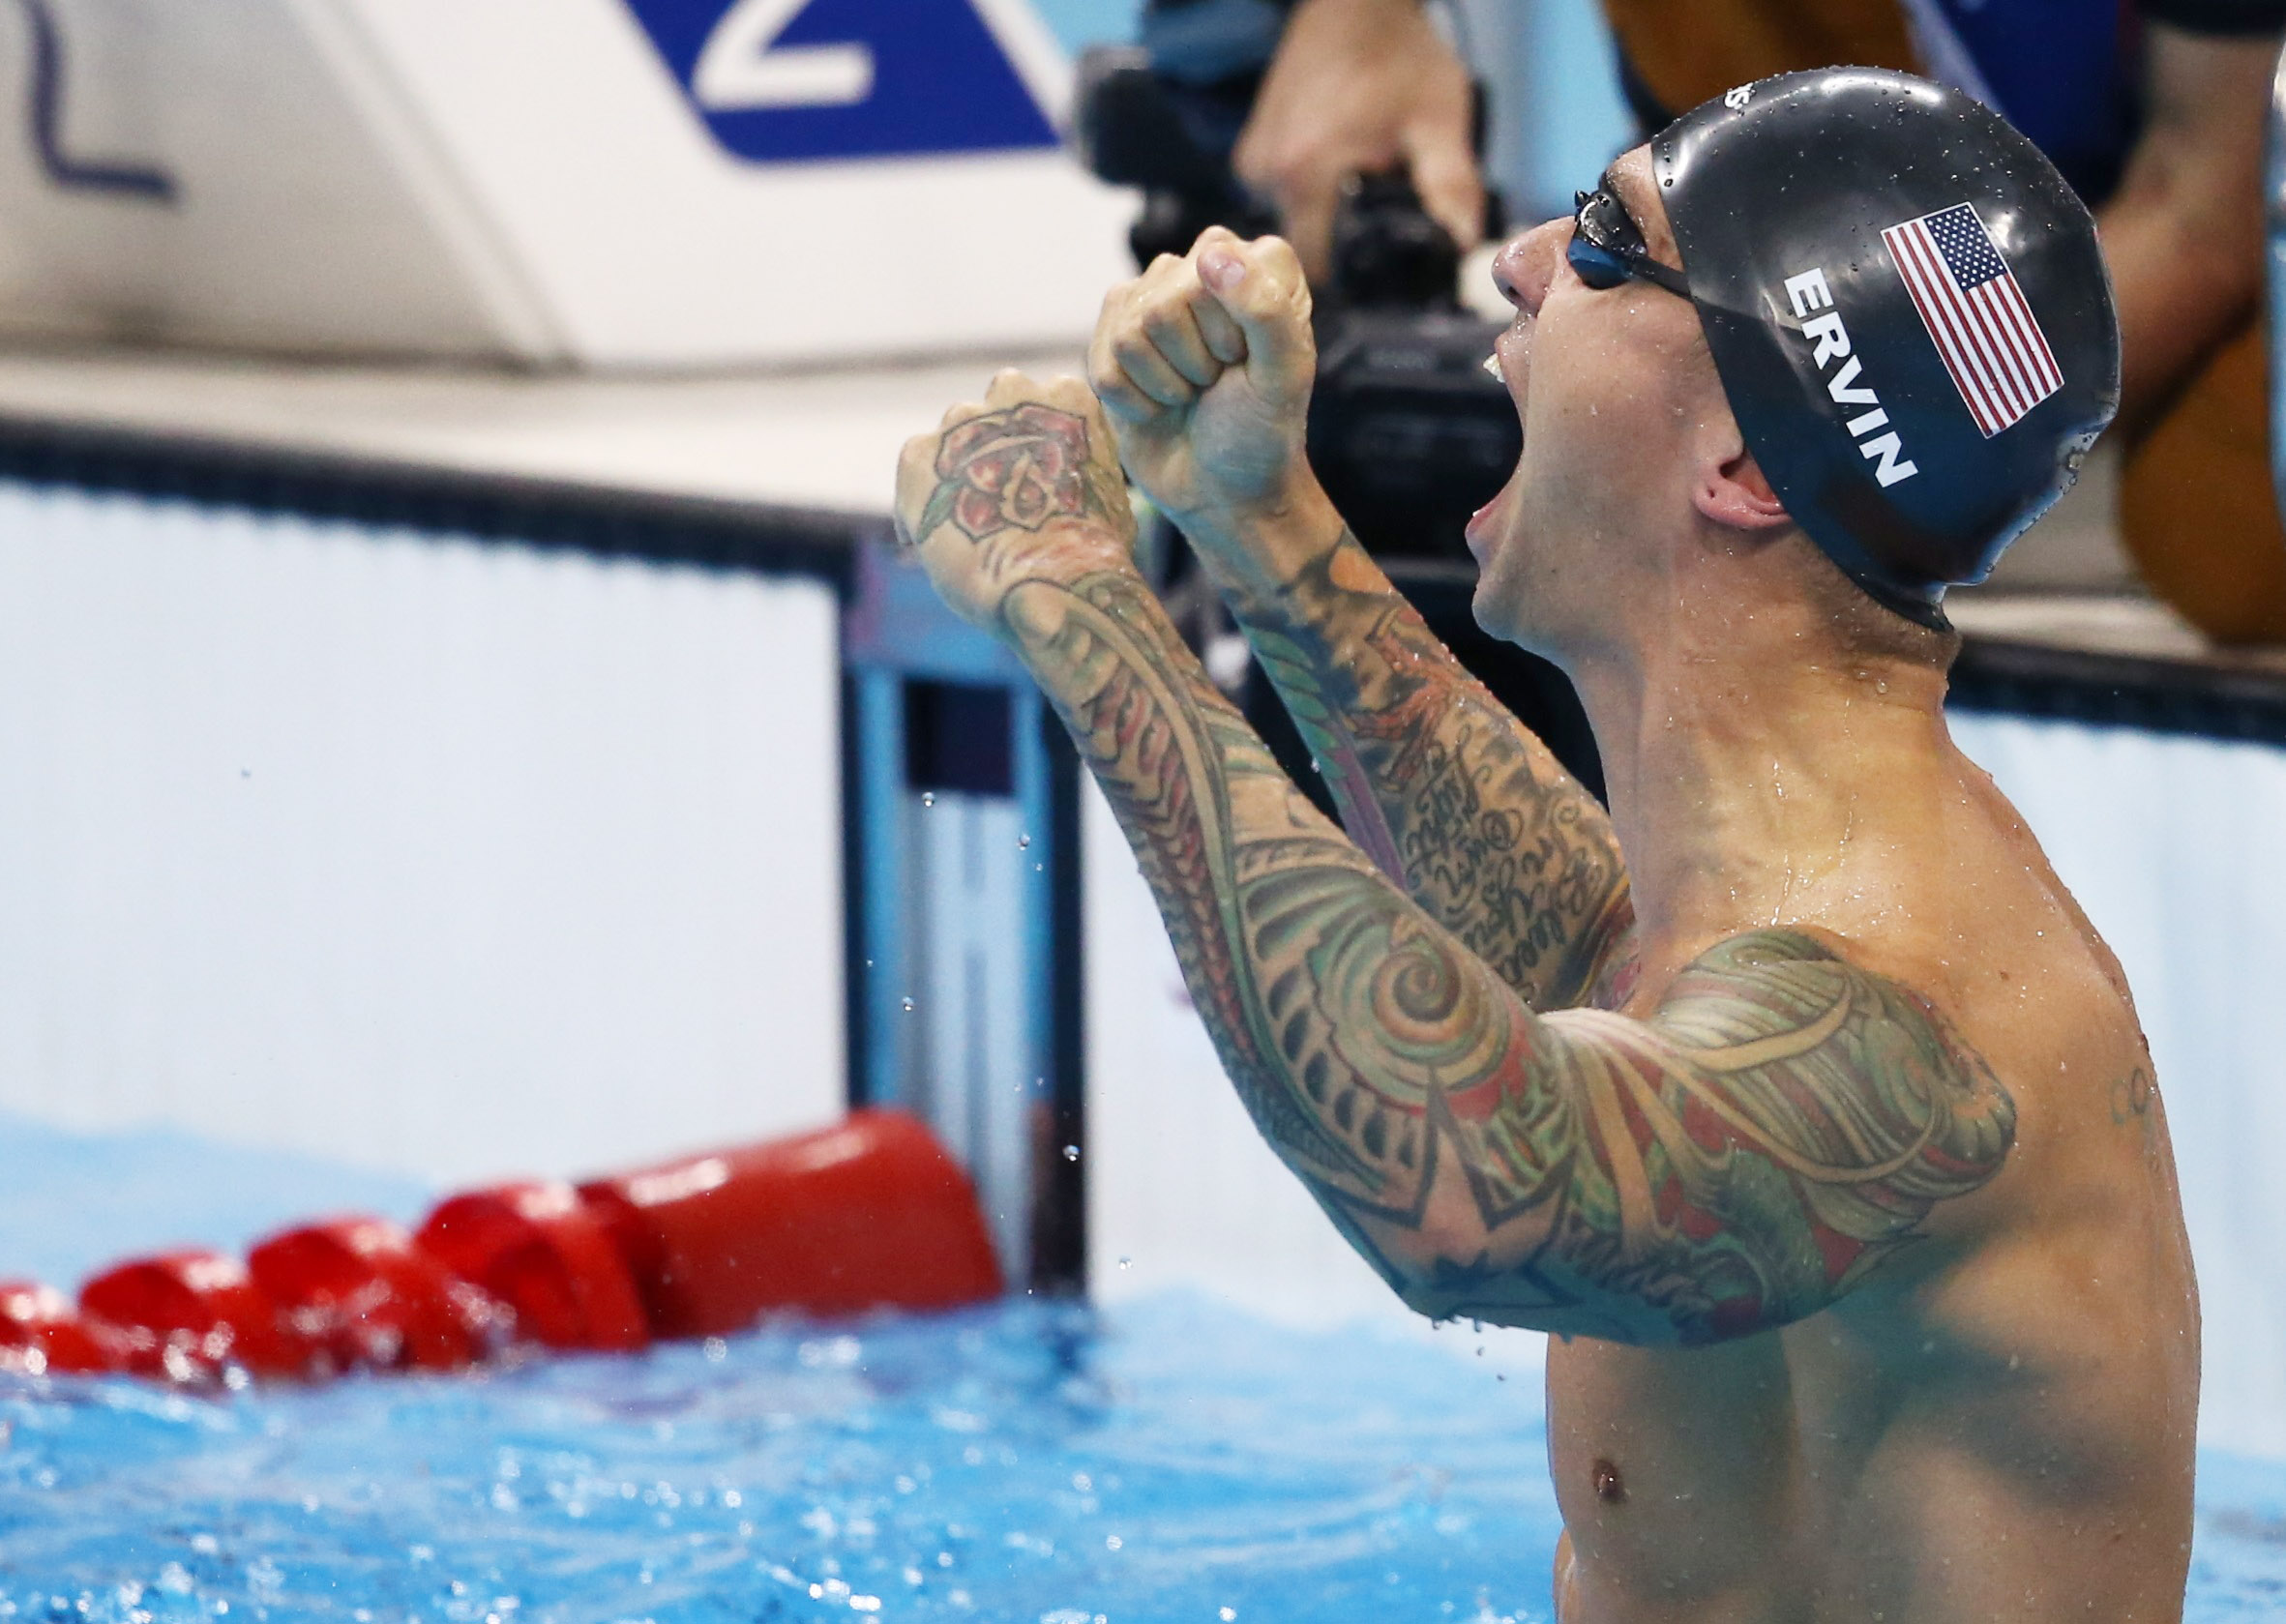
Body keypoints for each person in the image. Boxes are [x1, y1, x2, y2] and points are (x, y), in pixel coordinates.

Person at [896, 70, 2199, 1619]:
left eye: (1599, 243)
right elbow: (1594, 950)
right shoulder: (1770, 878)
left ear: (1746, 467)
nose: (1513, 257)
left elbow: (1469, 1190)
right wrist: (1258, 520)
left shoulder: (1911, 997)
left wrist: (1068, 587)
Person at [1223, 0, 2286, 641]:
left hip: (2126, 222)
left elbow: (2205, 210)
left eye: (1606, 236)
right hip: (1916, 214)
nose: (1514, 263)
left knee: (2220, 532)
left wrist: (1840, 433)